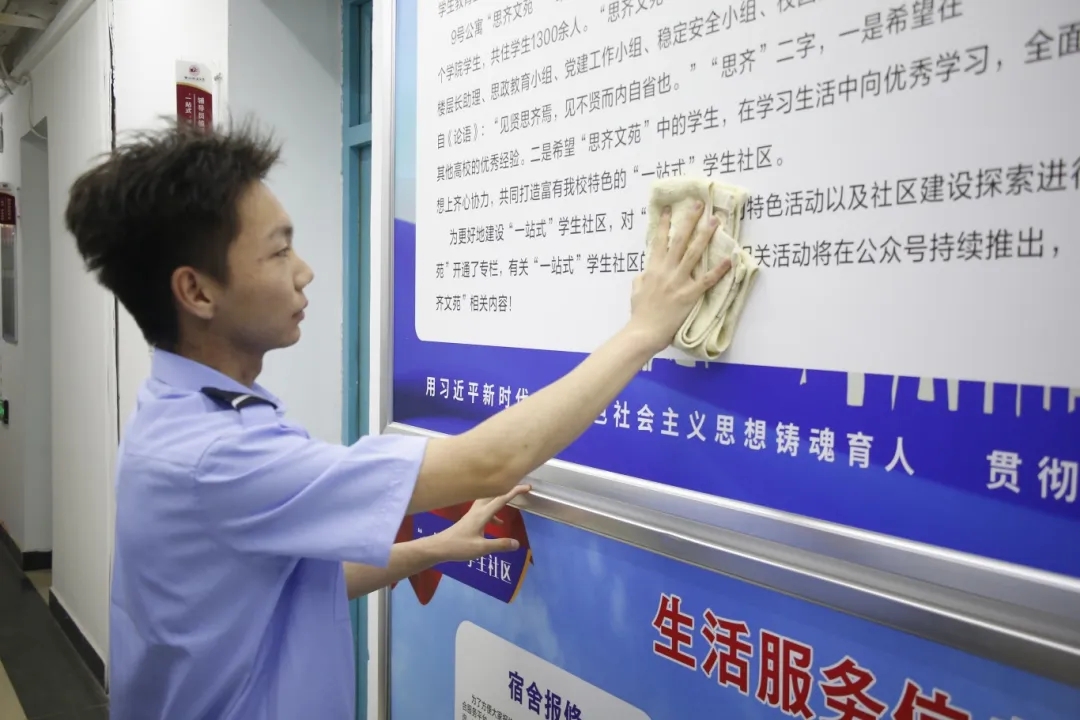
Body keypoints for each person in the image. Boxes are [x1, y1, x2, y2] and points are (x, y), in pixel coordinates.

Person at [65, 119, 731, 720]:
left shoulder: (180, 412)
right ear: (196, 291)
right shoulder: (217, 455)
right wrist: (644, 331)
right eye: (278, 252)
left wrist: (429, 550)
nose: (305, 272)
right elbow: (490, 462)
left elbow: (284, 585)